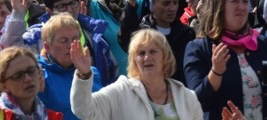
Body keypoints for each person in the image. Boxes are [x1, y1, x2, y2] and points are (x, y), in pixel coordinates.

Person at [184, 0, 267, 120]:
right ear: (219, 6)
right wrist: (215, 73)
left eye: (245, 1)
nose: (242, 7)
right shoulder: (199, 48)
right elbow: (197, 104)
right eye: (235, 1)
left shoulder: (260, 43)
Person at [70, 29, 203, 120]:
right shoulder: (121, 91)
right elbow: (83, 110)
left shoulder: (187, 97)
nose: (147, 57)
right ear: (134, 60)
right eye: (141, 53)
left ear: (165, 56)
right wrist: (84, 74)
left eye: (153, 51)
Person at [38, 14, 102, 120]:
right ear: (47, 47)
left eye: (75, 39)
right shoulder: (41, 77)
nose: (71, 45)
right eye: (63, 41)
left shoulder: (92, 72)